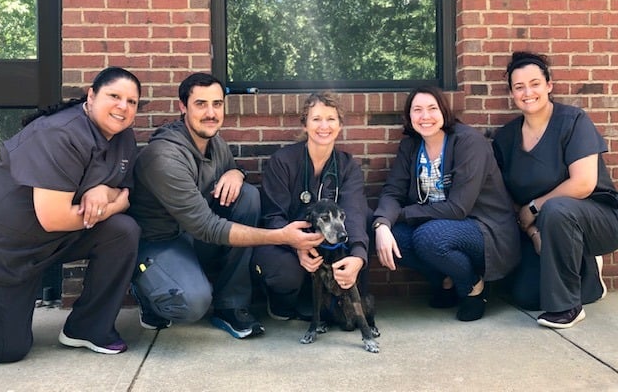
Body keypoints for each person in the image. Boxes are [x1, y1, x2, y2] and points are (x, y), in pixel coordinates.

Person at [128, 73, 322, 339]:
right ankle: (147, 290)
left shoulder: (214, 142)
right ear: (183, 107)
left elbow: (229, 171)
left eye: (217, 104)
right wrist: (281, 237)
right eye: (201, 104)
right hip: (161, 242)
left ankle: (231, 305)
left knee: (247, 196)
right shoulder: (164, 156)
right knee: (192, 303)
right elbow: (208, 227)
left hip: (193, 238)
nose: (211, 113)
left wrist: (236, 173)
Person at [0, 67, 142, 363]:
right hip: (3, 248)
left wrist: (104, 192)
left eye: (131, 102)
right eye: (114, 96)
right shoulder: (59, 133)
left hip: (51, 242)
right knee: (6, 349)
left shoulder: (123, 138)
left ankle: (89, 328)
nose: (123, 107)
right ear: (91, 96)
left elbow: (126, 195)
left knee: (123, 231)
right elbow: (53, 218)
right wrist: (113, 203)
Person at [492, 51, 618, 329]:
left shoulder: (573, 121)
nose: (528, 92)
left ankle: (567, 308)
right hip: (542, 227)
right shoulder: (505, 138)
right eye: (519, 87)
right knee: (526, 295)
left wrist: (535, 207)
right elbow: (504, 197)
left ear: (549, 85)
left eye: (535, 83)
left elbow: (583, 183)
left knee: (556, 209)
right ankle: (588, 277)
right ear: (512, 93)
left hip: (598, 220)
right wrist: (533, 230)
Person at [373, 86, 520, 322]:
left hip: (483, 228)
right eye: (417, 110)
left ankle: (473, 286)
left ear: (444, 111)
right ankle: (445, 279)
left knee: (428, 237)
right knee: (392, 238)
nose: (425, 116)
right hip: (435, 225)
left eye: (432, 108)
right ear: (409, 117)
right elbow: (392, 191)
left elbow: (458, 208)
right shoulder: (411, 146)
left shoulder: (469, 142)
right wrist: (381, 224)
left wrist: (402, 214)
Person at [251, 91, 371, 321]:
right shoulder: (283, 161)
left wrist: (358, 256)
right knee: (286, 272)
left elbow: (354, 213)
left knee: (367, 226)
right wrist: (296, 245)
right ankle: (282, 303)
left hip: (329, 249)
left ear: (340, 125)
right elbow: (273, 216)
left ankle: (342, 304)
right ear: (305, 124)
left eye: (331, 119)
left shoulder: (348, 167)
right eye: (316, 119)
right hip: (283, 243)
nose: (323, 126)